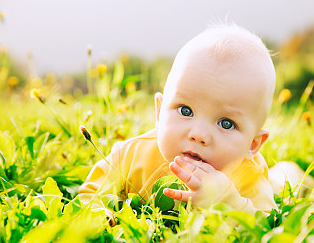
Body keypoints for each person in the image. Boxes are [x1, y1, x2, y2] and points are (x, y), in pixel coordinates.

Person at [79, 24, 286, 225]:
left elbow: (266, 224)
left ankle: (288, 171)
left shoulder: (248, 175)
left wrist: (230, 202)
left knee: (282, 180)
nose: (199, 134)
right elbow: (90, 192)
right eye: (185, 111)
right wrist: (99, 214)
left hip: (268, 184)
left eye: (226, 123)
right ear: (160, 112)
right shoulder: (131, 155)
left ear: (252, 144)